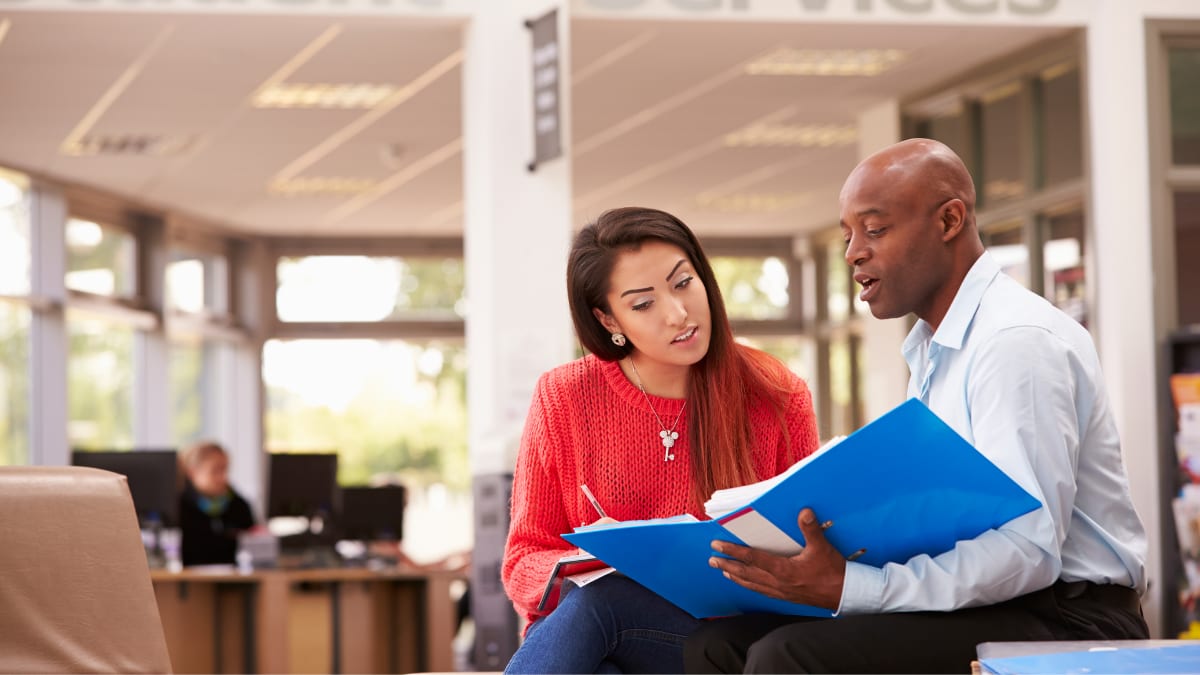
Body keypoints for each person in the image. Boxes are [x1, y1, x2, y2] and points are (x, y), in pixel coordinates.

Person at [684, 138, 1149, 674]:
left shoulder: (1014, 343)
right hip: (995, 604)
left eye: (875, 230)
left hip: (1070, 618)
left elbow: (1030, 549)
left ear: (950, 220)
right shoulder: (934, 350)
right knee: (716, 645)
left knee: (786, 656)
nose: (853, 253)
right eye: (848, 236)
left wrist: (856, 586)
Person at [501, 206, 821, 674]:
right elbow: (524, 559)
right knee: (601, 623)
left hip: (726, 642)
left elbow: (809, 551)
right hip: (601, 637)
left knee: (602, 603)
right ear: (608, 320)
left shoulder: (775, 393)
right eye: (643, 304)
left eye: (683, 283)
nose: (677, 313)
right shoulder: (564, 396)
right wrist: (591, 561)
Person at [178, 441, 255, 567]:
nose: (222, 477)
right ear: (192, 472)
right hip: (188, 577)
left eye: (225, 469)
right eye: (215, 471)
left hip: (234, 577)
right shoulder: (178, 507)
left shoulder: (239, 505)